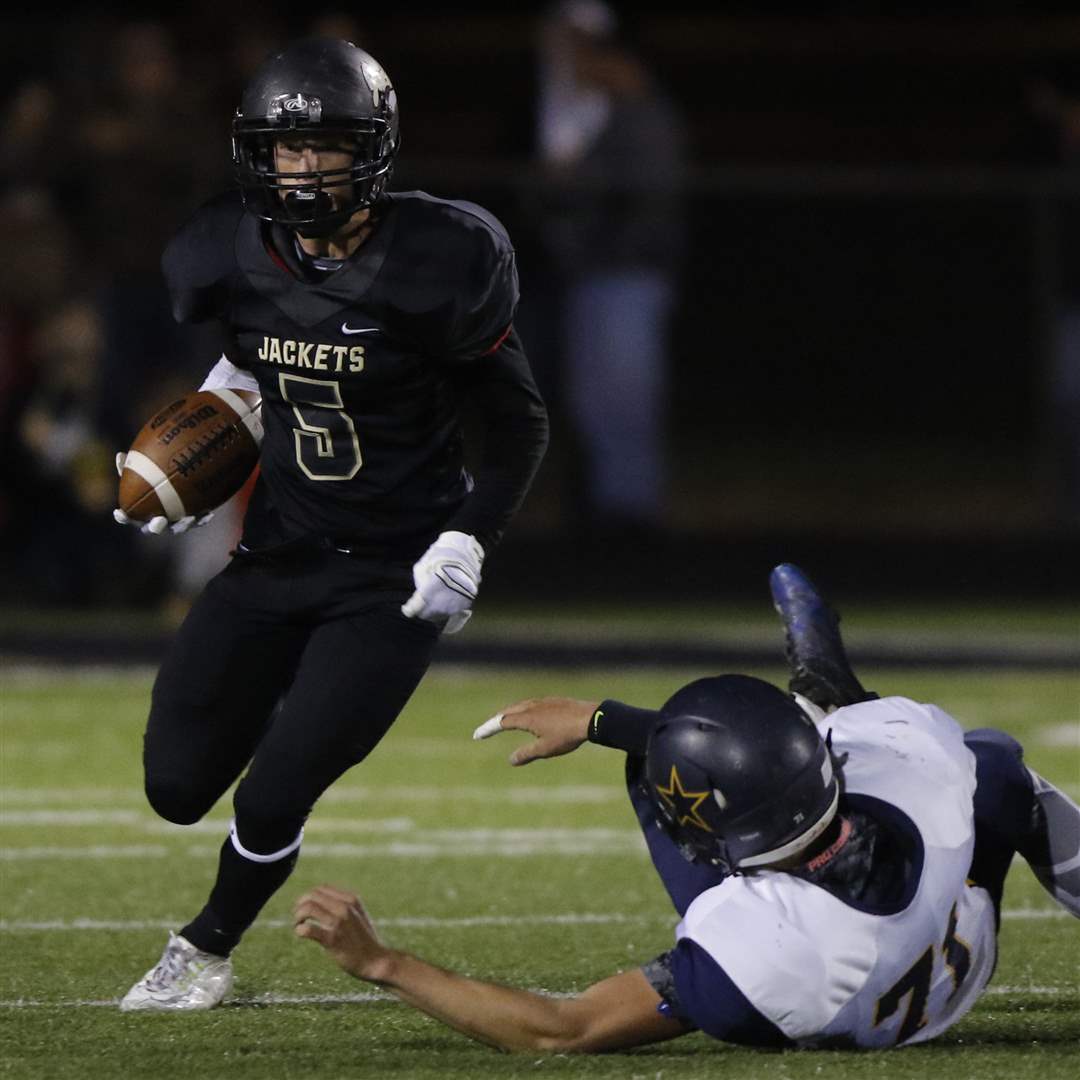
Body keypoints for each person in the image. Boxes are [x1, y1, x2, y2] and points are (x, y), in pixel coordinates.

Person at [116, 37, 548, 1011]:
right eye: (289, 149)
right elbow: (245, 367)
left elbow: (518, 417)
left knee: (275, 792)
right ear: (258, 155)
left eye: (330, 147)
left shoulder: (439, 259)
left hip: (393, 575)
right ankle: (300, 700)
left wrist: (471, 535)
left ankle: (206, 949)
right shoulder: (224, 251)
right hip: (276, 556)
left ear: (377, 150)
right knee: (175, 788)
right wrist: (188, 453)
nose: (307, 169)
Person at [294, 564, 1079, 1052]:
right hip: (954, 933)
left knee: (652, 774)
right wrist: (601, 717)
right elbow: (838, 754)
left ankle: (813, 702)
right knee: (998, 767)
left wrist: (382, 963)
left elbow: (562, 1029)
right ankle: (828, 694)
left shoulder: (759, 961)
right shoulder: (920, 758)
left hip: (853, 1000)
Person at [523, 0, 685, 533]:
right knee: (590, 397)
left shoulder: (638, 112)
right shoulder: (569, 110)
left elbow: (644, 200)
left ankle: (629, 512)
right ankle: (600, 505)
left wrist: (572, 186)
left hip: (624, 273)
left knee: (622, 394)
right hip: (582, 275)